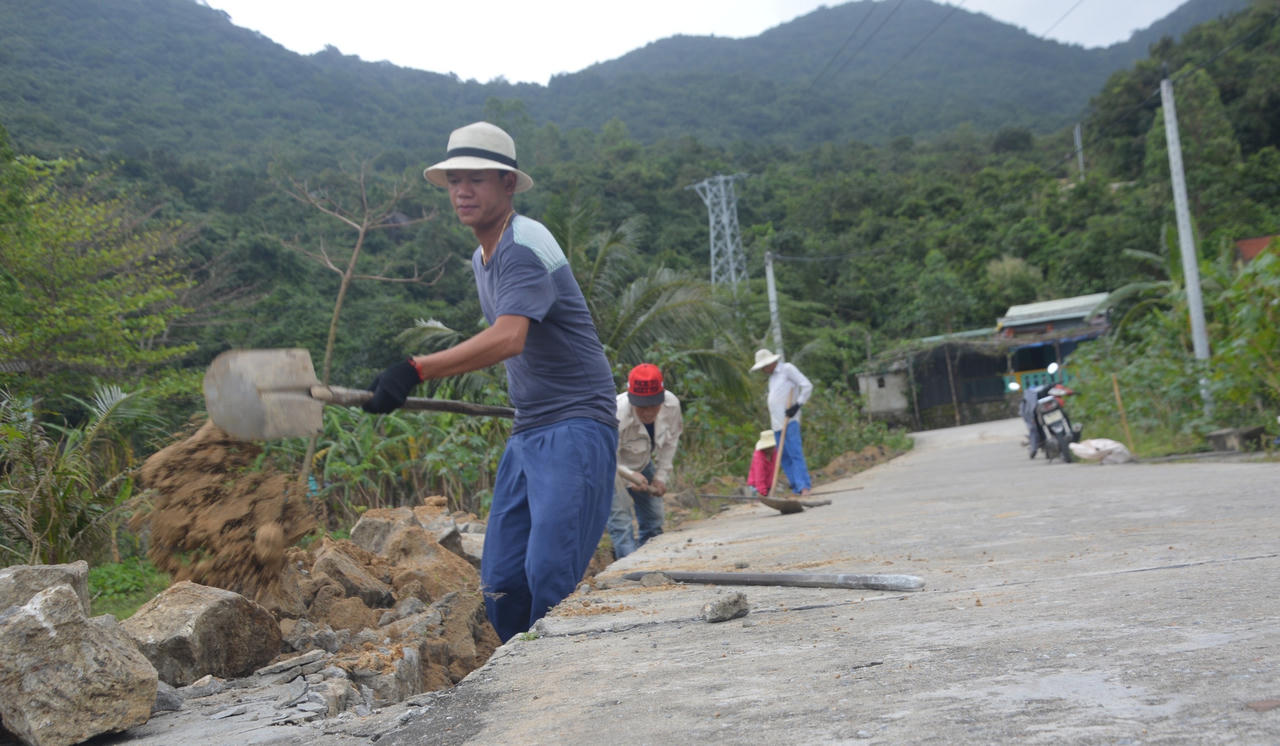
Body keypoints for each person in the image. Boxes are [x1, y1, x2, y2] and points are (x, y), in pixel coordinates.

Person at [361, 121, 618, 643]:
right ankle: (522, 678)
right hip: (529, 431)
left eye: (476, 179)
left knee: (551, 571)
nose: (462, 191)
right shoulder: (483, 257)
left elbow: (509, 339)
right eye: (455, 180)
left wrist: (415, 370)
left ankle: (562, 683)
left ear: (506, 183)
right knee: (501, 580)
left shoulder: (523, 243)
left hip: (575, 425)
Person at [608, 363, 683, 559]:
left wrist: (660, 477)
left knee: (654, 519)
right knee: (621, 523)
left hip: (643, 461)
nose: (648, 413)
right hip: (612, 469)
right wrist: (628, 477)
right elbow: (606, 456)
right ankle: (628, 570)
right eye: (642, 407)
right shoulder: (616, 412)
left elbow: (670, 442)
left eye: (653, 406)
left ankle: (652, 563)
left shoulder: (672, 405)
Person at [749, 348, 813, 495]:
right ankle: (796, 487)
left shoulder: (787, 369)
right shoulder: (772, 378)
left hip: (789, 421)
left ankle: (804, 487)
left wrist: (797, 405)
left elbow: (807, 385)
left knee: (795, 453)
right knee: (783, 457)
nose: (763, 370)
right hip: (777, 424)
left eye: (764, 367)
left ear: (771, 363)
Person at [746, 429, 777, 497]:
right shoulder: (759, 457)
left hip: (768, 486)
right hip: (756, 487)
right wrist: (764, 493)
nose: (773, 448)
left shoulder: (774, 453)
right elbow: (759, 477)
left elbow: (773, 472)